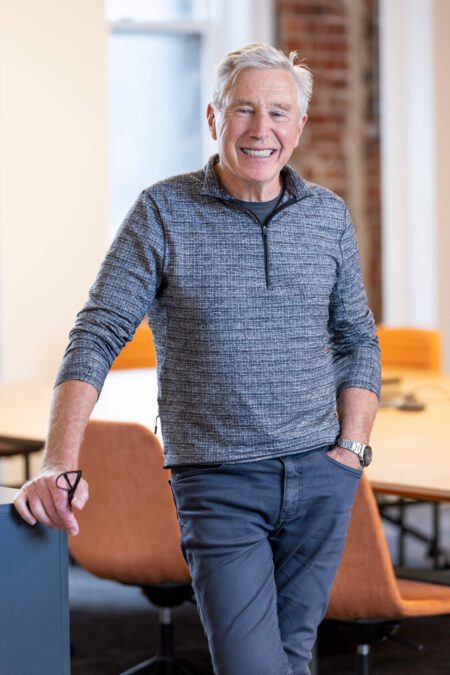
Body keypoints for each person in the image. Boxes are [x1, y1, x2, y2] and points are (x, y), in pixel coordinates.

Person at [15, 43, 380, 675]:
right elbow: (97, 333)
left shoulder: (328, 217)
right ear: (214, 120)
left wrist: (350, 451)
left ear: (298, 126)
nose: (260, 129)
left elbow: (357, 339)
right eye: (243, 110)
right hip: (220, 483)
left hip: (322, 475)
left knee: (295, 656)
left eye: (277, 112)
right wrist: (58, 462)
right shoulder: (162, 212)